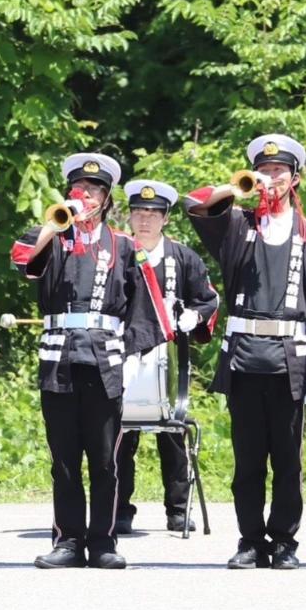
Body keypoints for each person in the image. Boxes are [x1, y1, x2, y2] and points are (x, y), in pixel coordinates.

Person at [185, 135, 306, 571]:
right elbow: (197, 205)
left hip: (291, 358)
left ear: (295, 178)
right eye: (264, 169)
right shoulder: (238, 224)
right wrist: (239, 186)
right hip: (243, 355)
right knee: (248, 458)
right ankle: (249, 540)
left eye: (279, 171)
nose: (271, 178)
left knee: (288, 459)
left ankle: (284, 541)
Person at [11, 153, 173, 571]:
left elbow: (145, 305)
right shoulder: (52, 236)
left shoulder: (122, 245)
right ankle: (66, 540)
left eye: (96, 190)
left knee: (105, 459)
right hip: (59, 359)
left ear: (107, 199)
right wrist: (55, 223)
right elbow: (21, 258)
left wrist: (135, 357)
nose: (86, 196)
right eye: (80, 189)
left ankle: (103, 540)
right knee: (63, 458)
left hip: (105, 359)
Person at [111, 179, 220, 535]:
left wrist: (195, 316)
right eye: (139, 212)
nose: (145, 220)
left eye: (153, 213)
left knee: (172, 436)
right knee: (120, 437)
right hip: (121, 351)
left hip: (167, 353)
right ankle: (119, 509)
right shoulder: (115, 253)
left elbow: (208, 298)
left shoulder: (182, 257)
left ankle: (177, 509)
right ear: (129, 216)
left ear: (166, 219)